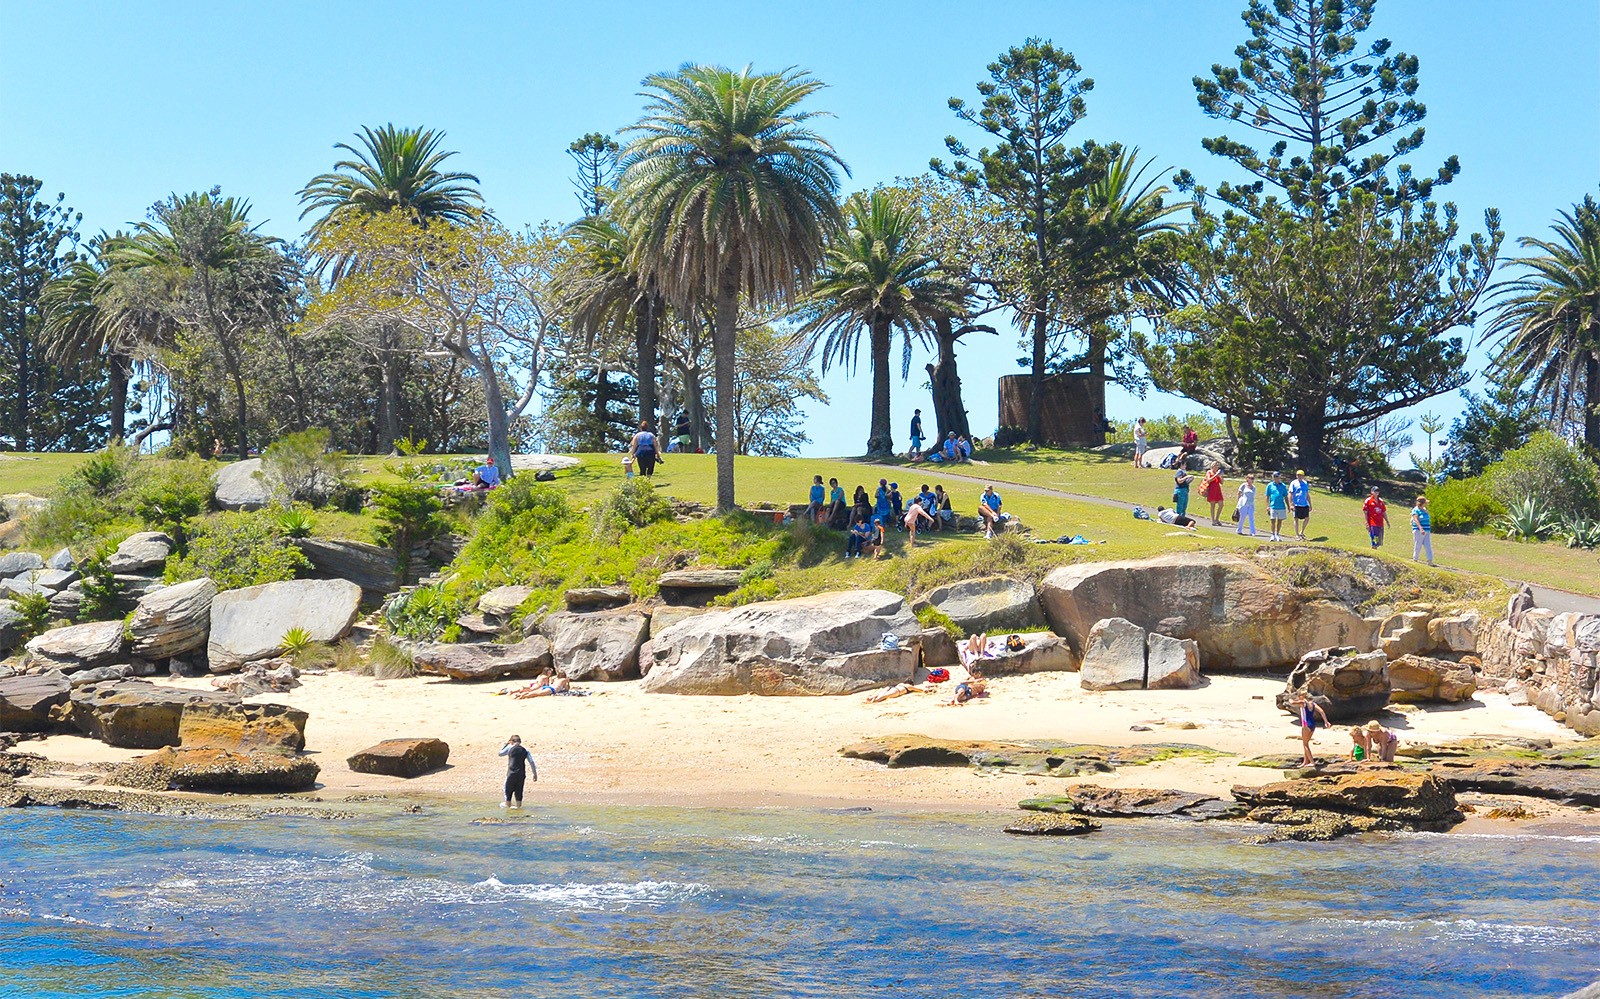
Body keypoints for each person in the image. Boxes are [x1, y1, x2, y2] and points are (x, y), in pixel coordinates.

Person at [1290, 694, 1330, 767]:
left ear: (1302, 697)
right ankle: (1305, 762)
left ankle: (1312, 762)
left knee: (1305, 744)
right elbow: (1321, 711)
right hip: (1313, 724)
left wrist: (1290, 699)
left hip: (1306, 725)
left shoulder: (1303, 703)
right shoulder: (1313, 704)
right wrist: (1326, 721)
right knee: (1306, 742)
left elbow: (1292, 703)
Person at [498, 734, 537, 807]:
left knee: (508, 792)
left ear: (512, 741)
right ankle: (518, 810)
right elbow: (531, 762)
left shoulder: (510, 747)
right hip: (521, 774)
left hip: (511, 773)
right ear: (520, 741)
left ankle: (508, 807)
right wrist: (535, 774)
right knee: (519, 792)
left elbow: (500, 753)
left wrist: (506, 744)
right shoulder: (525, 749)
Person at [1265, 471, 1290, 542]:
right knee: (1273, 520)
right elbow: (1267, 497)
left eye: (1277, 477)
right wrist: (1267, 506)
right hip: (1273, 506)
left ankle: (1277, 534)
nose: (1276, 478)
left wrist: (1288, 506)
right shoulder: (1270, 485)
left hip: (1281, 506)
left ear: (1279, 477)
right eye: (1275, 477)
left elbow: (1285, 496)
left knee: (1280, 521)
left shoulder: (1283, 486)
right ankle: (1272, 535)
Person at [1410, 495, 1435, 566]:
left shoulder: (1424, 510)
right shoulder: (1416, 510)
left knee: (1428, 545)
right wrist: (1421, 528)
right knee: (1418, 544)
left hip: (1427, 530)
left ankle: (1430, 560)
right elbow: (1415, 519)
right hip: (1418, 530)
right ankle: (1415, 558)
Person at [1290, 469, 1312, 541]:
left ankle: (1301, 532)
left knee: (1307, 518)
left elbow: (1307, 494)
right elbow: (1290, 494)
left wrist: (1310, 504)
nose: (1300, 476)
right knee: (1296, 519)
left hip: (1304, 504)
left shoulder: (1305, 483)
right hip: (1296, 504)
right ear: (1297, 476)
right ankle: (1296, 535)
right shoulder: (1293, 483)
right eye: (1298, 475)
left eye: (1301, 475)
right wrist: (1291, 504)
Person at [864, 681, 934, 703]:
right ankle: (875, 700)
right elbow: (919, 690)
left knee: (882, 693)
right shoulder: (908, 686)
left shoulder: (901, 684)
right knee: (884, 696)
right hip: (897, 691)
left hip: (893, 688)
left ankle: (871, 697)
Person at [1235, 473, 1258, 538]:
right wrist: (1238, 503)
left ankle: (1252, 532)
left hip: (1250, 504)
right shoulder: (1243, 485)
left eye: (1253, 479)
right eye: (1251, 478)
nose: (1252, 480)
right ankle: (1239, 530)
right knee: (1242, 517)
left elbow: (1253, 496)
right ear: (1247, 479)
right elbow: (1239, 493)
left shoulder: (1254, 488)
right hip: (1243, 504)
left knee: (1251, 518)